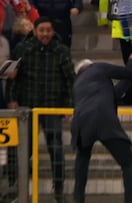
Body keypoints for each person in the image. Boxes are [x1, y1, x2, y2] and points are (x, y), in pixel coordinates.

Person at [6, 16, 74, 202]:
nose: (45, 34)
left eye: (48, 30)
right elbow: (13, 78)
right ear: (35, 31)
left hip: (52, 108)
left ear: (52, 32)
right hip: (26, 109)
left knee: (56, 148)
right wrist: (11, 100)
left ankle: (58, 190)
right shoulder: (22, 49)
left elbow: (70, 80)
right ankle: (14, 188)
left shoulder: (62, 51)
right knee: (20, 149)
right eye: (41, 30)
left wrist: (69, 106)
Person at [71, 54, 132, 203]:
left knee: (82, 159)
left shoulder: (77, 84)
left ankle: (78, 199)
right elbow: (126, 73)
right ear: (90, 64)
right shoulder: (98, 68)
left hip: (81, 123)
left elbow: (113, 94)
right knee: (128, 164)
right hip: (104, 119)